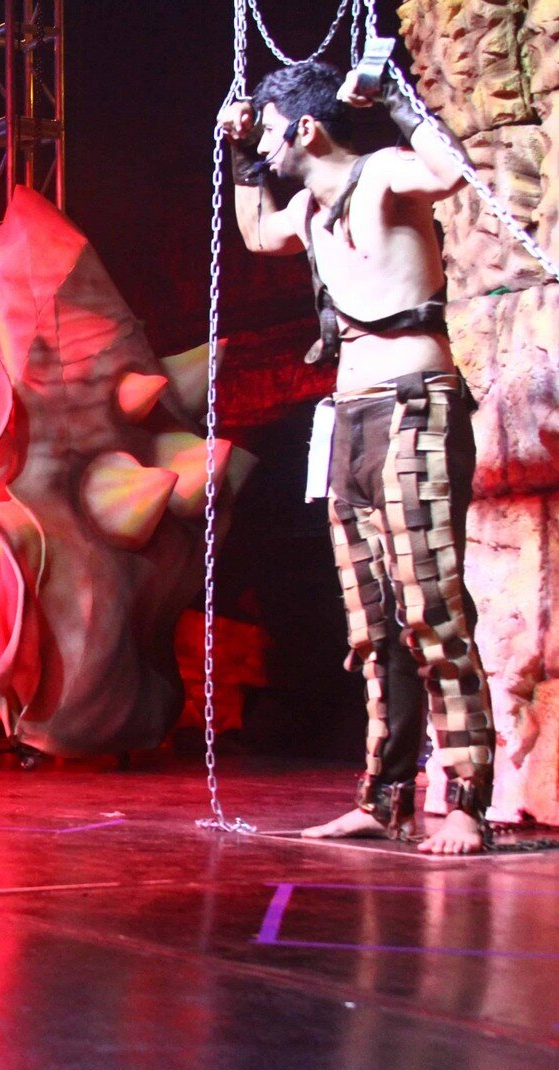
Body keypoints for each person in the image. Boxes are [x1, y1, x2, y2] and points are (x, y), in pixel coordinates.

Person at [219, 60, 493, 854]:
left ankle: (465, 801)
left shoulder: (385, 174)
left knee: (431, 608)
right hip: (351, 419)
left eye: (272, 132)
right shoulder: (308, 209)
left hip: (415, 405)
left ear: (307, 129)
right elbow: (257, 234)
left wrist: (396, 98)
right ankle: (385, 796)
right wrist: (239, 155)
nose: (267, 146)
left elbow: (449, 173)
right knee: (373, 623)